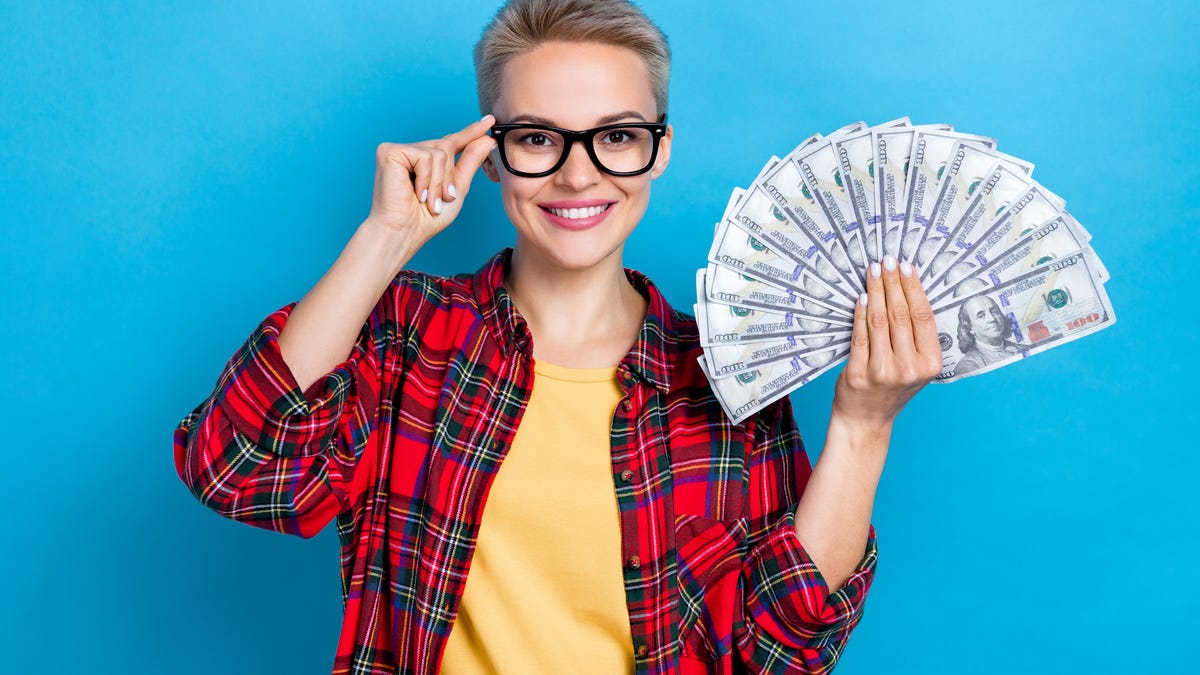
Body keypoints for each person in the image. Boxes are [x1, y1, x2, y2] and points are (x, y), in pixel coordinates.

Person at [172, 1, 942, 672]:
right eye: (540, 139)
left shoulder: (730, 381)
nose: (578, 176)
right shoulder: (405, 337)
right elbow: (236, 466)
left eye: (616, 136)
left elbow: (781, 650)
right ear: (492, 154)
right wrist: (384, 238)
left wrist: (864, 425)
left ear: (659, 150)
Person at [954, 295, 1022, 375]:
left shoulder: (1023, 348)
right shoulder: (967, 366)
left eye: (994, 312)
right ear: (969, 328)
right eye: (981, 316)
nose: (992, 319)